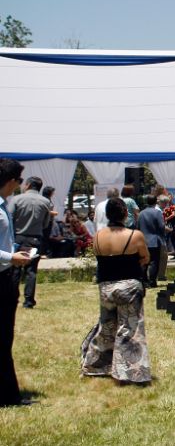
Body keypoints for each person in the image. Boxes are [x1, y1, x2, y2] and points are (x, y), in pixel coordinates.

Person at [80, 197, 152, 384]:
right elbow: (145, 258)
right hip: (128, 288)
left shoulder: (97, 236)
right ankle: (130, 371)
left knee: (107, 326)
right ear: (125, 214)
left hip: (105, 287)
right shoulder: (134, 235)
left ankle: (95, 365)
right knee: (129, 330)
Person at [0, 158, 34, 406]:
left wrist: (14, 251)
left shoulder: (5, 205)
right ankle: (7, 395)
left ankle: (8, 392)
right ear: (11, 181)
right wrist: (10, 256)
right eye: (19, 180)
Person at [7, 176, 50, 309]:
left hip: (17, 237)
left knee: (15, 269)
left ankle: (12, 297)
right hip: (35, 238)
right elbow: (46, 223)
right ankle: (29, 301)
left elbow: (9, 219)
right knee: (31, 271)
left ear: (28, 185)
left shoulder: (17, 199)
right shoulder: (45, 202)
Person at [136, 195, 166, 287]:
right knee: (154, 262)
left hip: (143, 241)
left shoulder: (141, 213)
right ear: (155, 202)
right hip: (154, 241)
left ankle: (144, 281)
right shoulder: (157, 213)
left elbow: (137, 227)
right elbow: (162, 226)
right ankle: (152, 281)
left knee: (144, 261)